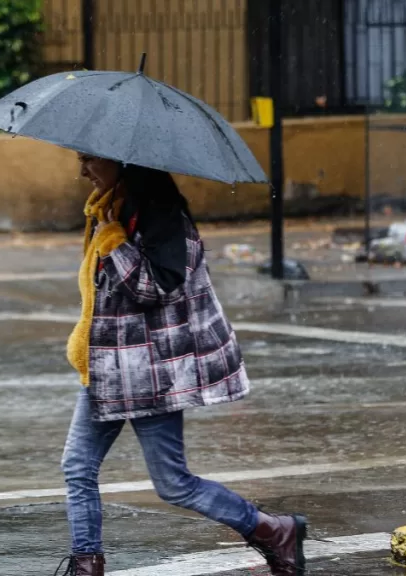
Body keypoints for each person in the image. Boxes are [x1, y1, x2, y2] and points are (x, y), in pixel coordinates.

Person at [55, 156, 306, 576]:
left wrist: (114, 242)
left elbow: (156, 288)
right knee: (78, 466)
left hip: (150, 374)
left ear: (120, 160)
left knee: (173, 484)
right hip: (110, 370)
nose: (83, 170)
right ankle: (87, 564)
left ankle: (271, 529)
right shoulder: (111, 208)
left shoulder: (159, 214)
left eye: (89, 160)